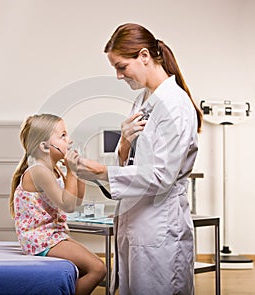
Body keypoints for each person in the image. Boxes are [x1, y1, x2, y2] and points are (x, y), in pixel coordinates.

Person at [69, 23, 203, 295]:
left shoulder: (175, 106)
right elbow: (133, 164)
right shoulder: (144, 100)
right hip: (137, 220)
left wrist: (99, 170)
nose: (118, 76)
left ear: (144, 56)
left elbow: (160, 176)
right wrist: (124, 143)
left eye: (121, 67)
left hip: (160, 223)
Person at [9, 113, 106, 295]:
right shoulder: (38, 171)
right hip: (40, 239)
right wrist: (70, 169)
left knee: (88, 268)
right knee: (98, 268)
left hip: (52, 235)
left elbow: (75, 202)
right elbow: (67, 205)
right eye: (63, 135)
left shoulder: (53, 170)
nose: (69, 140)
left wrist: (79, 173)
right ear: (45, 146)